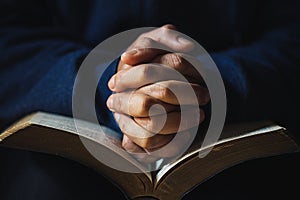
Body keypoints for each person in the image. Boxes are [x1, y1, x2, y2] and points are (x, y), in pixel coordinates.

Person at [0, 0, 299, 199]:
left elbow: (290, 33)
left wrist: (212, 81)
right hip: (57, 162)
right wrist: (108, 82)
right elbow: (9, 37)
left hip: (243, 144)